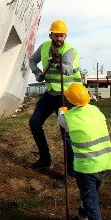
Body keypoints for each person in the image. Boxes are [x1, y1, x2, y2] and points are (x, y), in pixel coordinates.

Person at [57, 82, 111, 220]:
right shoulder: (96, 110)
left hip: (86, 168)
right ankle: (82, 218)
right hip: (104, 163)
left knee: (91, 203)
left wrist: (61, 110)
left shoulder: (68, 118)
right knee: (89, 195)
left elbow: (61, 120)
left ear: (70, 100)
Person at [28, 19, 82, 171]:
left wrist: (58, 63)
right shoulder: (45, 47)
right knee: (34, 123)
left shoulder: (69, 50)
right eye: (56, 35)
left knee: (66, 133)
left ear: (65, 36)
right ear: (51, 35)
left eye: (62, 36)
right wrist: (37, 72)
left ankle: (71, 171)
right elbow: (32, 60)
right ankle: (45, 160)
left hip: (65, 97)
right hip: (50, 94)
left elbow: (68, 70)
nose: (59, 38)